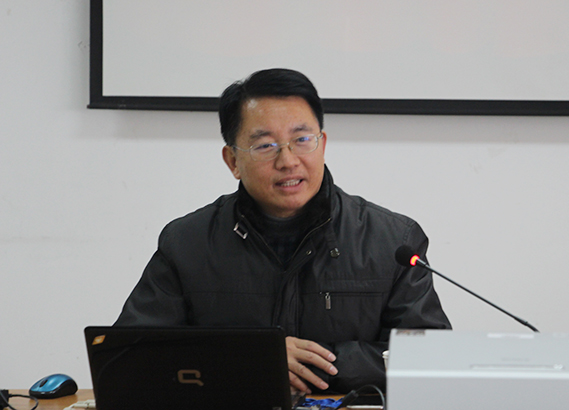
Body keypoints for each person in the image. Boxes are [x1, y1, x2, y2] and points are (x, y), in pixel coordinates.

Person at [114, 68, 451, 394]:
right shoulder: (187, 243)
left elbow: (432, 358)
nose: (288, 161)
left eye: (302, 140)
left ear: (322, 144)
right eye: (265, 145)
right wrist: (253, 359)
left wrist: (321, 364)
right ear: (232, 161)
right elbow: (128, 357)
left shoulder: (392, 241)